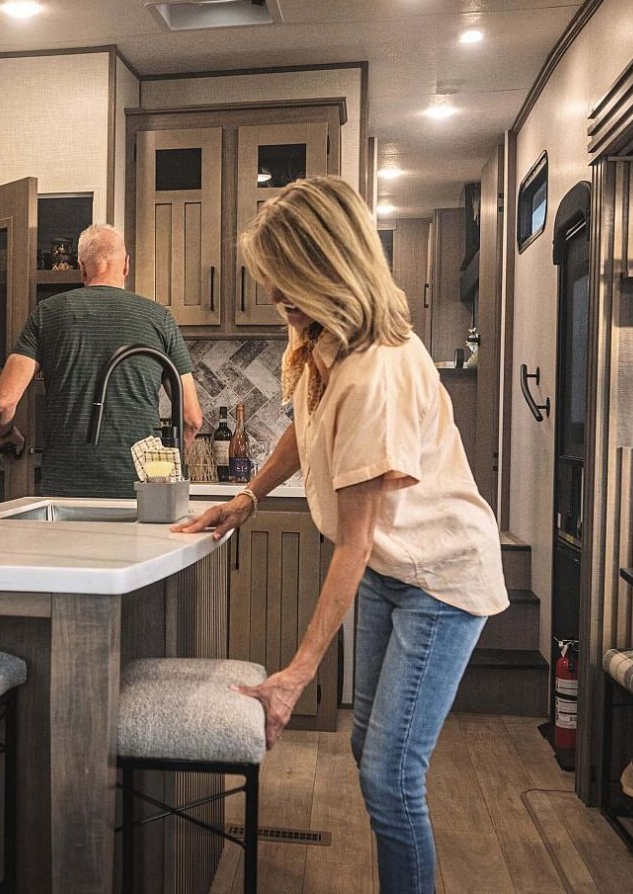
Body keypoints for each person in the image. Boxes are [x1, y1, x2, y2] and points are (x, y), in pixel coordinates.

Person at [174, 176, 508, 894]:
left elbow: (354, 541)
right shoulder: (321, 338)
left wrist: (297, 673)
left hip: (439, 576)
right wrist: (247, 498)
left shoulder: (378, 370)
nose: (275, 296)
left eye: (285, 279)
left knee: (391, 776)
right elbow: (304, 425)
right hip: (394, 567)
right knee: (369, 748)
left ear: (329, 267)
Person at [0, 223, 203, 498]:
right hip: (139, 486)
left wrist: (5, 435)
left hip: (65, 485)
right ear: (126, 265)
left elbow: (2, 402)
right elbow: (191, 418)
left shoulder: (47, 313)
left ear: (81, 267)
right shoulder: (159, 318)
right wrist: (165, 467)